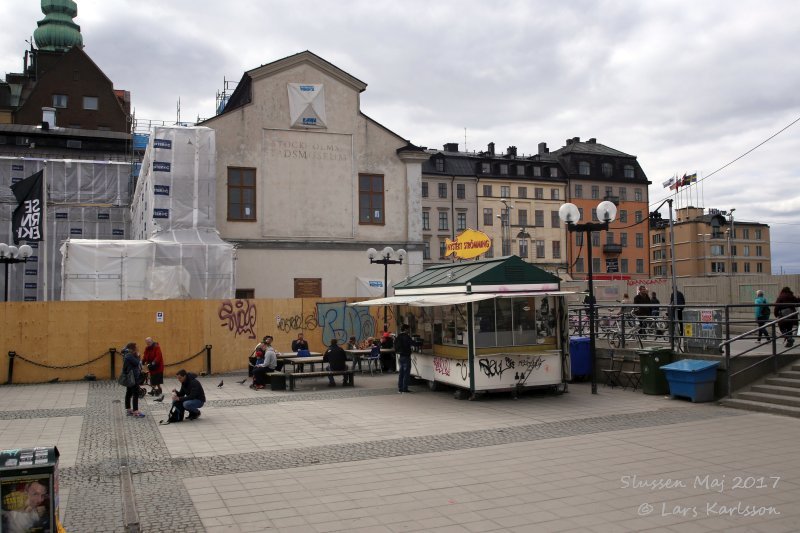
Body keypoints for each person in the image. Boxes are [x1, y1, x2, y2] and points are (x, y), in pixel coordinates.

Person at [122, 342, 145, 418]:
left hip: (131, 376)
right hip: (133, 377)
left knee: (129, 393)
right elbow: (137, 363)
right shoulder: (129, 355)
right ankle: (135, 411)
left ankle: (129, 410)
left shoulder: (127, 355)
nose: (137, 348)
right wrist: (138, 356)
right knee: (135, 393)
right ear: (132, 348)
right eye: (136, 347)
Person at [396, 324, 414, 393]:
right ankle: (405, 388)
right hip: (406, 357)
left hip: (401, 357)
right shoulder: (406, 336)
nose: (409, 330)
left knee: (401, 373)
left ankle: (400, 388)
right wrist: (420, 343)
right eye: (408, 329)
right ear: (406, 329)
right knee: (406, 373)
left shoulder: (399, 336)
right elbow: (413, 343)